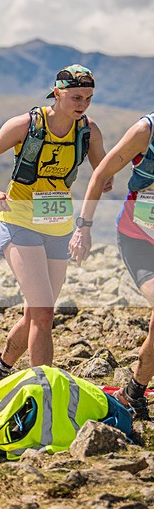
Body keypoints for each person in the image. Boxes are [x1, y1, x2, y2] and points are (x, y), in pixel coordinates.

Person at [0, 64, 112, 384]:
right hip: (20, 222)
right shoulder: (25, 124)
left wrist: (106, 180)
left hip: (59, 227)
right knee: (45, 313)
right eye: (76, 97)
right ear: (58, 92)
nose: (83, 104)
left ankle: (0, 369)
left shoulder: (88, 130)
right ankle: (42, 389)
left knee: (35, 314)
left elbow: (102, 170)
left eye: (89, 99)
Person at [70, 112, 154, 419]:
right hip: (139, 239)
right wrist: (84, 227)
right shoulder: (146, 131)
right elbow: (99, 174)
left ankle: (134, 391)